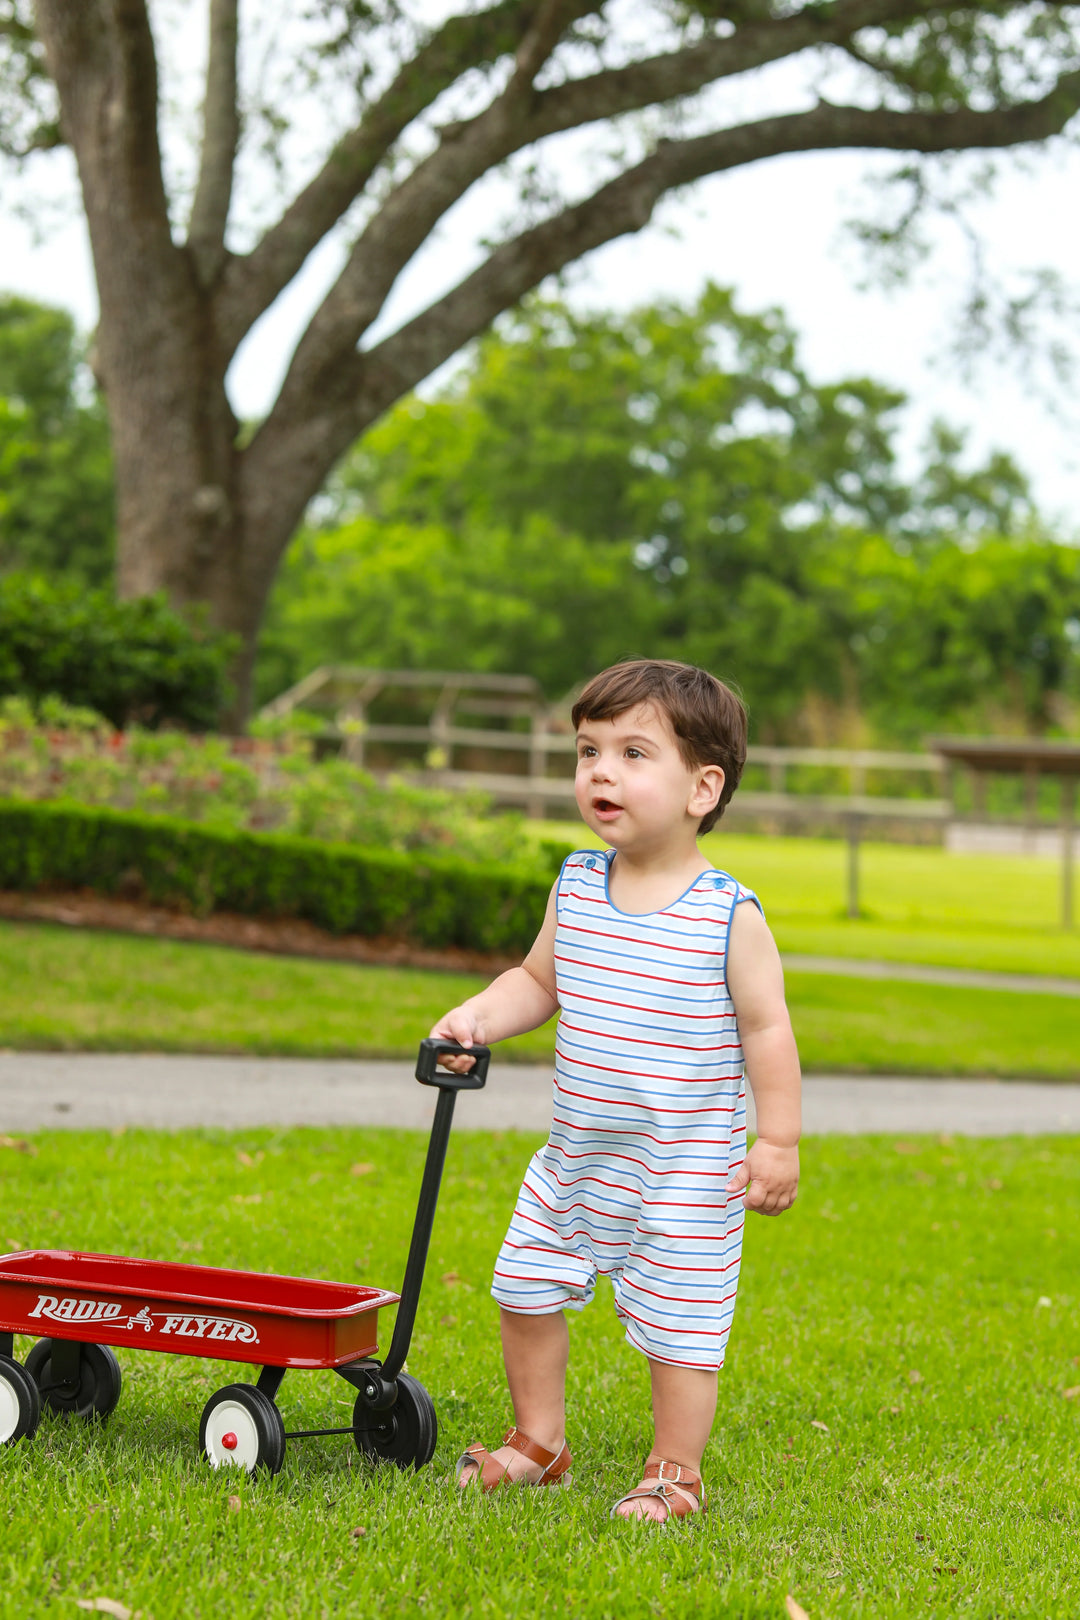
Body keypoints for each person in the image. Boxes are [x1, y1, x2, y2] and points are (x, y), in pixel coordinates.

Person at [430, 658, 801, 1522]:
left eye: (634, 753)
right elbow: (537, 979)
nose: (600, 770)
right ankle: (539, 1442)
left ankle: (675, 1471)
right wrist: (481, 1015)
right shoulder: (577, 885)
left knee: (680, 1329)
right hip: (578, 1157)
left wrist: (776, 1140)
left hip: (685, 1172)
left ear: (701, 787)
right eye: (588, 750)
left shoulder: (727, 914)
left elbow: (767, 1031)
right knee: (522, 1285)